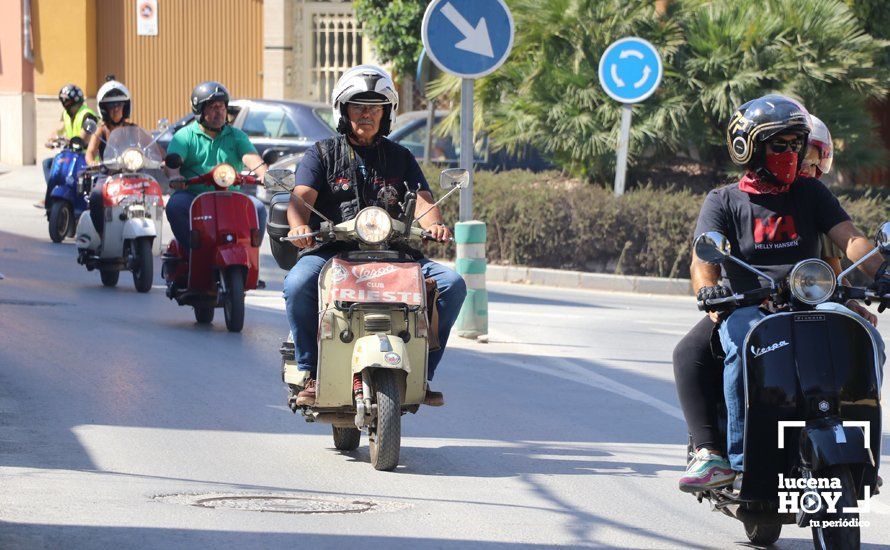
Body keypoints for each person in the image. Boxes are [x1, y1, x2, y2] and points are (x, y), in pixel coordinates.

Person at [677, 95, 888, 490]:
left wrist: (882, 268)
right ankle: (728, 460)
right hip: (750, 306)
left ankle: (859, 449)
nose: (791, 153)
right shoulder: (723, 200)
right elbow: (703, 257)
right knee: (734, 346)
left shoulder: (811, 194)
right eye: (780, 145)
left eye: (796, 145)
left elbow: (852, 239)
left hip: (815, 298)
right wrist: (708, 291)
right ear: (748, 147)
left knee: (868, 339)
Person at [281, 64, 467, 408]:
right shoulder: (321, 154)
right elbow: (300, 199)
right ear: (343, 110)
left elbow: (425, 202)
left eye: (375, 107)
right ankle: (310, 371)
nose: (366, 114)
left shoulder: (401, 157)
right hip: (333, 252)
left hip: (395, 252)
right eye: (358, 106)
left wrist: (434, 224)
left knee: (452, 283)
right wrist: (298, 226)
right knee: (297, 284)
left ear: (386, 113)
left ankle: (423, 373)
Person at [163, 81, 267, 250]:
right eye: (212, 107)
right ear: (199, 110)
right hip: (194, 196)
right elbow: (172, 163)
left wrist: (265, 174)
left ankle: (249, 258)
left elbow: (251, 158)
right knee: (175, 206)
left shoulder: (236, 135)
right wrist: (175, 176)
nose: (219, 112)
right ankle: (193, 255)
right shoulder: (184, 136)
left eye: (222, 107)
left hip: (231, 196)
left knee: (259, 208)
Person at [85, 79, 136, 238]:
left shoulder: (132, 128)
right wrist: (92, 162)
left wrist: (162, 159)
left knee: (148, 194)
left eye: (119, 105)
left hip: (131, 174)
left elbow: (148, 145)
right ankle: (101, 234)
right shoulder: (101, 130)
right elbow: (90, 151)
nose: (116, 109)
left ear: (125, 107)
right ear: (104, 109)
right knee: (96, 196)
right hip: (107, 174)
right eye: (111, 106)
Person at [39, 84, 98, 207]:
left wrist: (68, 140)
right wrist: (52, 139)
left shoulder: (87, 115)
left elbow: (83, 136)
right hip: (72, 154)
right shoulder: (66, 114)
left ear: (77, 101)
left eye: (69, 102)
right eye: (64, 101)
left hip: (86, 156)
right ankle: (52, 196)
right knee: (49, 163)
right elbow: (59, 129)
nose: (67, 105)